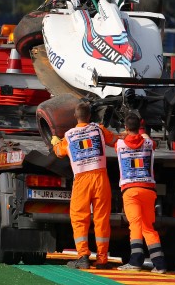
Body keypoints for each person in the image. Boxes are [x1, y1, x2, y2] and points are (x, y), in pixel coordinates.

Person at [51, 101, 118, 270]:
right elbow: (115, 140)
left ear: (75, 116)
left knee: (79, 218)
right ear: (90, 116)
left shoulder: (70, 135)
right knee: (102, 218)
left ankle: (83, 257)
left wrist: (55, 142)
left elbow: (59, 152)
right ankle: (102, 259)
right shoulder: (98, 129)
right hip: (100, 177)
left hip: (81, 179)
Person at [115, 113, 166, 274]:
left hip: (130, 190)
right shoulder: (149, 143)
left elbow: (117, 139)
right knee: (148, 227)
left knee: (135, 225)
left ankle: (135, 261)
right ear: (139, 127)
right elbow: (144, 137)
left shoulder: (120, 144)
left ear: (125, 128)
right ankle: (160, 264)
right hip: (148, 190)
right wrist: (141, 128)